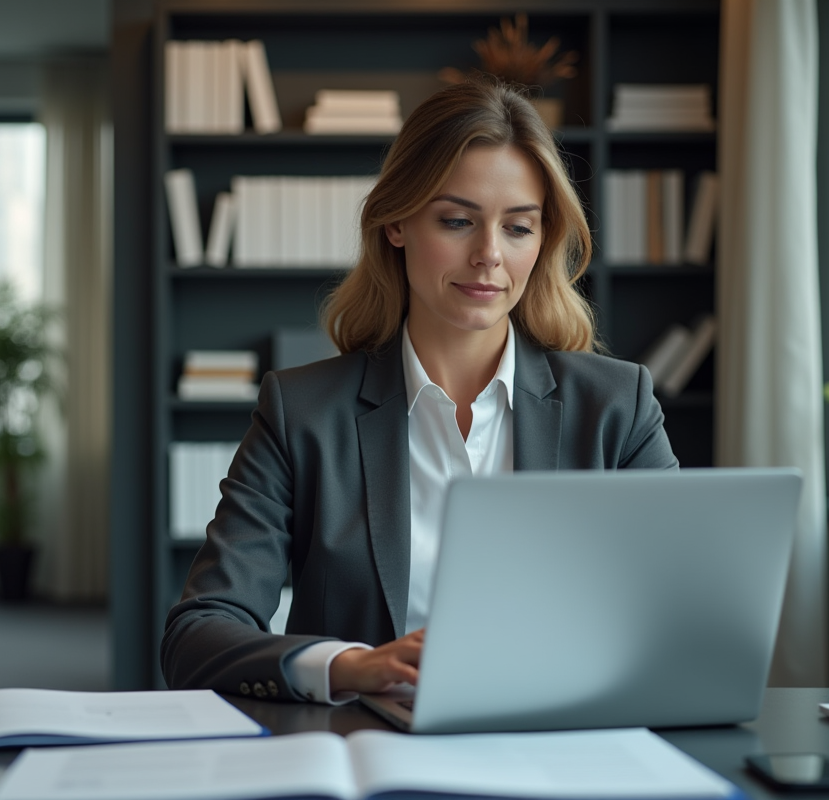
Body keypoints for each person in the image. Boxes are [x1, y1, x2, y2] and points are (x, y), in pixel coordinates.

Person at [161, 77, 678, 704]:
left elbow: (677, 618)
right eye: (458, 221)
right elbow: (197, 635)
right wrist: (350, 666)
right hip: (365, 748)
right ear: (397, 223)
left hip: (562, 742)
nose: (489, 254)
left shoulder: (618, 408)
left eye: (518, 228)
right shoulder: (302, 414)